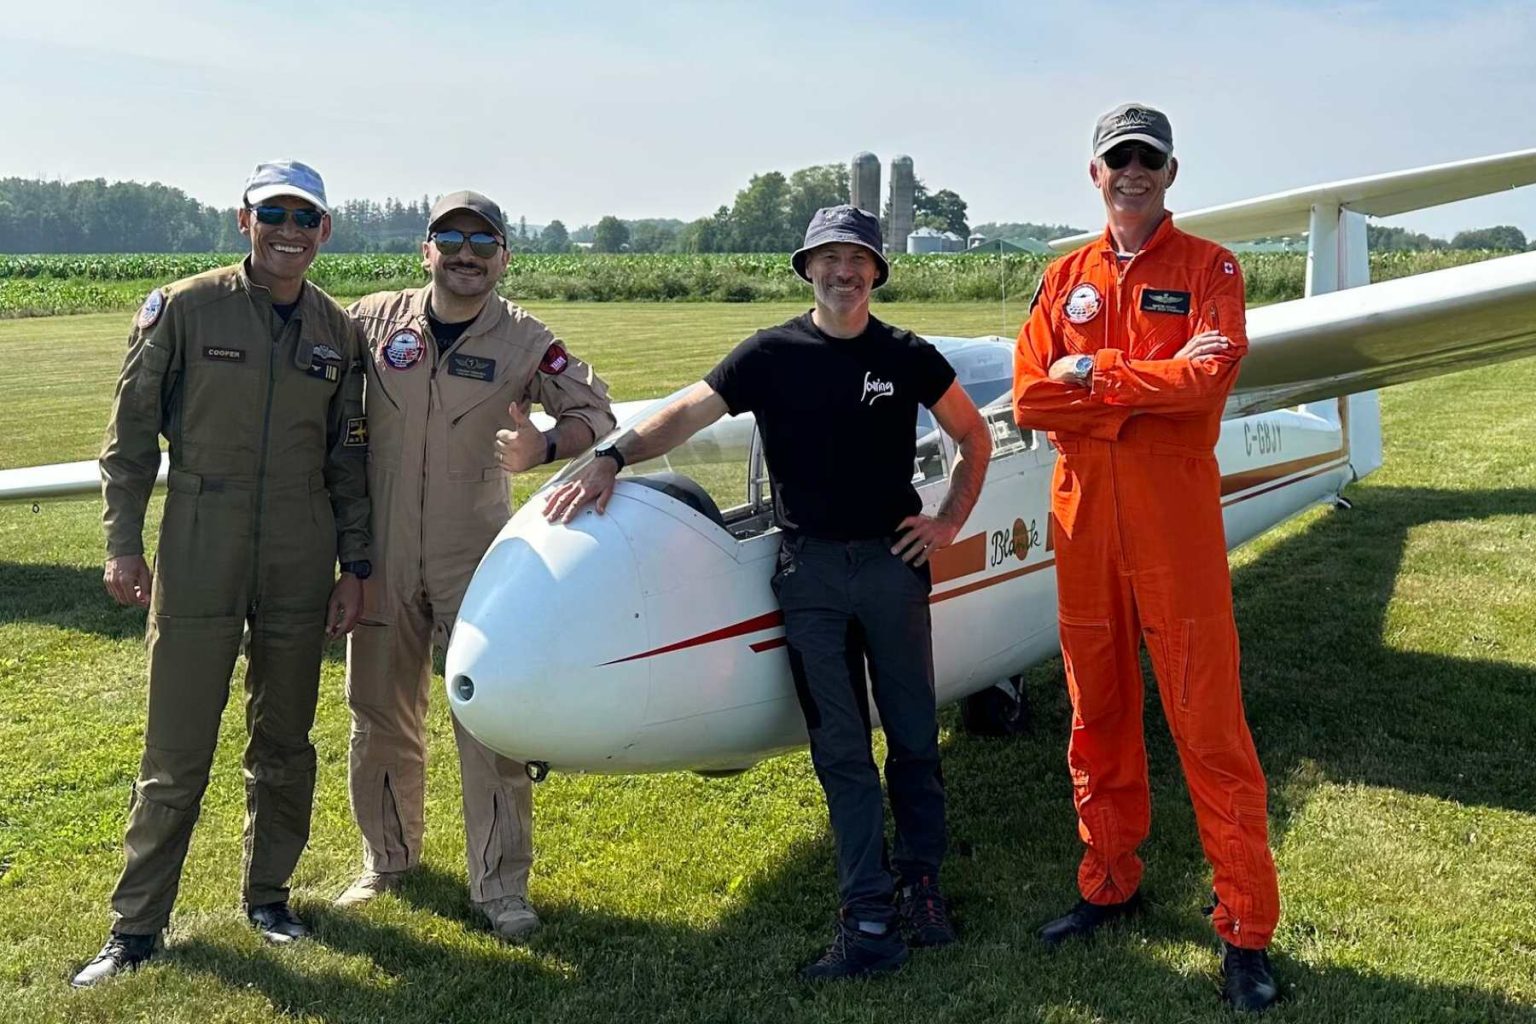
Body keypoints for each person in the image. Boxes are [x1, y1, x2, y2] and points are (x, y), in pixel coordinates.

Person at [544, 205, 990, 980]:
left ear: (877, 272)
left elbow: (972, 436)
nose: (842, 273)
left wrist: (948, 518)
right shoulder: (771, 354)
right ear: (806, 269)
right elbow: (688, 410)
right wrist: (613, 455)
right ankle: (869, 918)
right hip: (810, 575)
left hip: (890, 568)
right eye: (827, 259)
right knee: (841, 750)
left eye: (857, 260)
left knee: (915, 735)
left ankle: (922, 884)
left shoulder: (907, 356)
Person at [75, 160, 370, 987]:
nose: (290, 230)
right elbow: (129, 438)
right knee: (176, 746)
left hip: (301, 544)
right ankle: (135, 927)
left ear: (325, 231)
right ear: (244, 219)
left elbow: (350, 461)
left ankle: (269, 896)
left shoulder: (335, 331)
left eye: (305, 217)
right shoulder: (185, 307)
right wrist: (122, 542)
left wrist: (359, 565)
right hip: (203, 531)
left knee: (285, 739)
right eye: (274, 212)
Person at [1012, 103, 1280, 1011]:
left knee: (1206, 723)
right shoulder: (1063, 277)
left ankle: (1244, 927)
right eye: (1115, 161)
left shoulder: (1212, 269)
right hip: (1083, 523)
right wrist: (1140, 386)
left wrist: (1100, 377)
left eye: (1147, 161)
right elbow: (1030, 402)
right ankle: (1108, 882)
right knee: (1097, 713)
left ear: (1171, 174)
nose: (1131, 174)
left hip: (1175, 531)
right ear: (1094, 175)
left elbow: (1211, 377)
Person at [336, 190, 614, 941]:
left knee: (489, 721)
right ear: (424, 250)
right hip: (384, 553)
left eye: (482, 241)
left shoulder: (526, 339)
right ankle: (387, 861)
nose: (465, 252)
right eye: (449, 238)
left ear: (503, 257)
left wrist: (542, 449)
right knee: (379, 714)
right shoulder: (371, 321)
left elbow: (597, 412)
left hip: (477, 556)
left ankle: (501, 888)